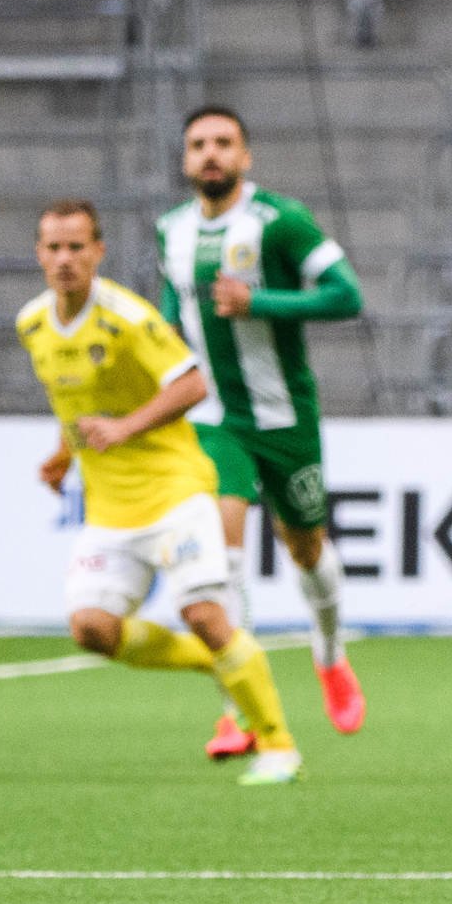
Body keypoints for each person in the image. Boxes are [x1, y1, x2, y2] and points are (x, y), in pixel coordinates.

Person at [18, 200, 303, 785]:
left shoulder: (127, 317)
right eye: (53, 248)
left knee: (202, 611)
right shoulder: (34, 324)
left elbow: (193, 382)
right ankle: (216, 661)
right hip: (110, 508)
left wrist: (123, 428)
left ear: (98, 252)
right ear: (39, 254)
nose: (65, 259)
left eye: (77, 247)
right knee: (91, 629)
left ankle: (278, 744)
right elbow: (74, 402)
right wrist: (63, 453)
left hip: (176, 491)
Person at [156, 105, 367, 757]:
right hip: (216, 419)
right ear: (186, 159)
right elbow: (171, 322)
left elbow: (346, 295)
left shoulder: (280, 221)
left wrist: (259, 302)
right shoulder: (172, 231)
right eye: (199, 145)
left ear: (245, 157)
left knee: (307, 550)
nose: (211, 154)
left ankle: (329, 654)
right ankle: (238, 711)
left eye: (223, 143)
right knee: (223, 557)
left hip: (285, 417)